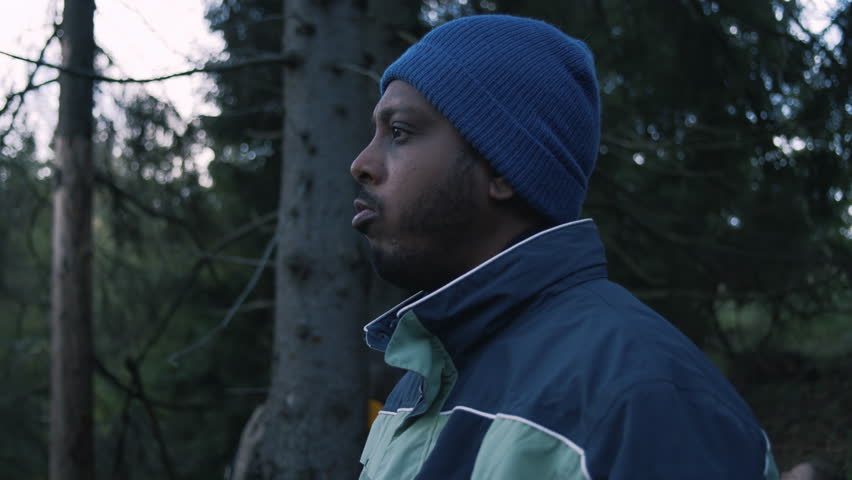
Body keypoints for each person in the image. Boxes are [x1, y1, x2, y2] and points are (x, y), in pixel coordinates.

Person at [349, 14, 780, 480]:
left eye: (399, 132)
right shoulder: (420, 385)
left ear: (503, 169)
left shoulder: (642, 397)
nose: (361, 164)